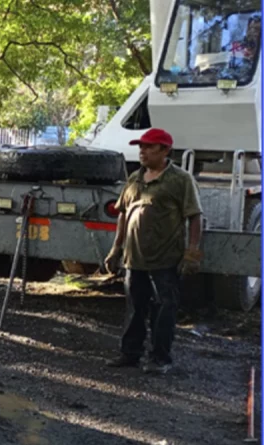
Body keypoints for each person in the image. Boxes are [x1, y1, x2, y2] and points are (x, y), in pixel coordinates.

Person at [104, 128, 203, 375]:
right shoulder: (135, 178)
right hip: (134, 257)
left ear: (165, 151)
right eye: (141, 146)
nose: (142, 151)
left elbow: (195, 217)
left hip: (166, 259)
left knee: (164, 308)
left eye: (149, 147)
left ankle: (160, 358)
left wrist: (192, 253)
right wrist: (116, 248)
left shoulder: (180, 180)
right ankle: (130, 354)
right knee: (135, 306)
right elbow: (124, 214)